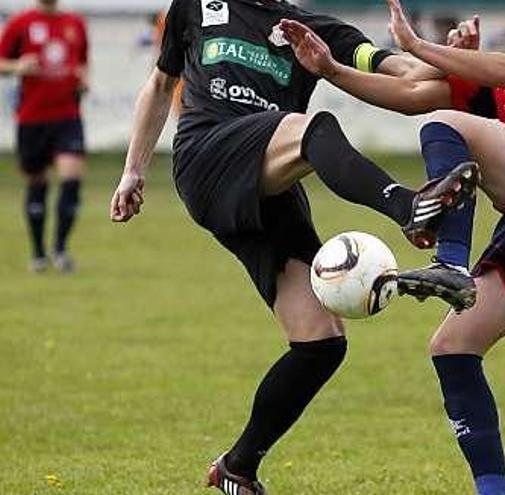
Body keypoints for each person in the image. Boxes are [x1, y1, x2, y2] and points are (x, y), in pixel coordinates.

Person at [109, 1, 477, 494]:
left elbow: (410, 75)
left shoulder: (318, 30)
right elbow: (159, 85)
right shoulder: (197, 6)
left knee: (320, 341)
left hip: (270, 182)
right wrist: (133, 170)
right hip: (208, 158)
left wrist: (448, 58)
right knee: (310, 129)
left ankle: (237, 467)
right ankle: (409, 208)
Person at [281, 0, 505, 491]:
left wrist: (422, 46)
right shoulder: (501, 75)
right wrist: (330, 70)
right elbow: (412, 93)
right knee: (452, 347)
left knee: (449, 128)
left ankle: (450, 260)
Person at [0, 0, 88, 273]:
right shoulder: (20, 22)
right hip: (32, 118)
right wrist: (17, 67)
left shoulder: (75, 23)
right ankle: (38, 252)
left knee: (71, 179)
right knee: (37, 183)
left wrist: (83, 79)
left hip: (67, 116)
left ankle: (60, 249)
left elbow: (83, 63)